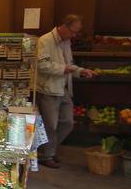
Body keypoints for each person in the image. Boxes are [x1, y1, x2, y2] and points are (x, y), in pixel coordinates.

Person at [36, 14, 96, 169]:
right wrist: (64, 69)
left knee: (68, 122)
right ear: (64, 26)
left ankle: (49, 150)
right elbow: (42, 65)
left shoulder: (66, 42)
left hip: (63, 88)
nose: (74, 35)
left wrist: (80, 71)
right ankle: (46, 155)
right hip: (48, 89)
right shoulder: (45, 41)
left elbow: (69, 64)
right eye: (73, 31)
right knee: (50, 125)